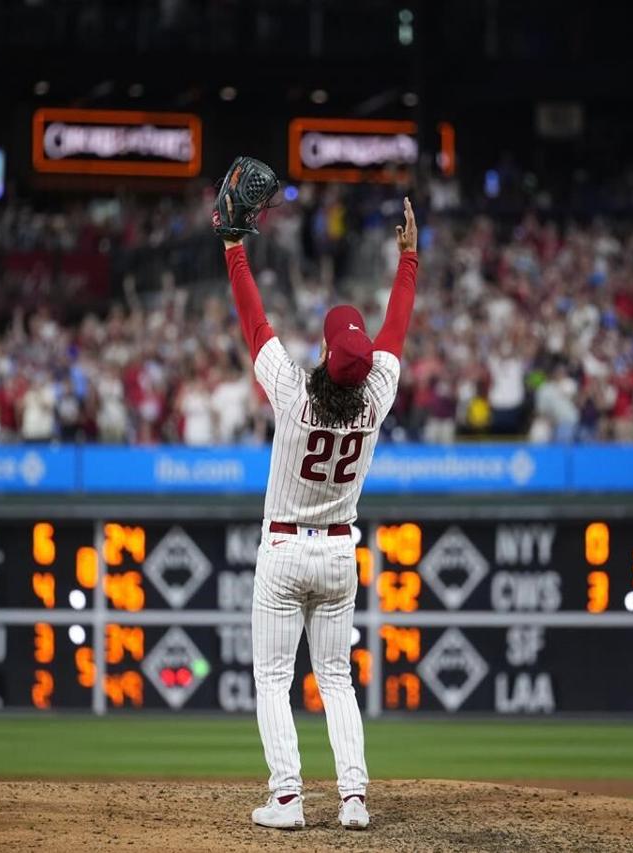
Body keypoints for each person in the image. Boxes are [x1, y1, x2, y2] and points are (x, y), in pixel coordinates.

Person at [221, 181, 418, 832]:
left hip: (283, 548)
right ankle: (353, 799)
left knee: (274, 679)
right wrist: (409, 260)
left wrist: (234, 249)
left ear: (326, 355)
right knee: (335, 678)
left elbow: (255, 323)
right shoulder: (379, 394)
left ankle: (286, 797)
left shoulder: (293, 392)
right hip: (340, 550)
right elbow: (394, 327)